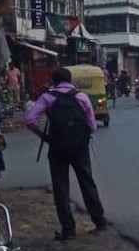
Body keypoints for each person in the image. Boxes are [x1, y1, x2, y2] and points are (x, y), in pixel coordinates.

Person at [25, 67, 108, 241]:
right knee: (87, 182)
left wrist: (45, 137)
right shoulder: (81, 96)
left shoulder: (48, 97)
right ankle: (99, 220)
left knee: (61, 188)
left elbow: (30, 119)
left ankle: (68, 229)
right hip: (80, 147)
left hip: (57, 148)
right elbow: (92, 125)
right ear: (70, 80)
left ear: (54, 81)